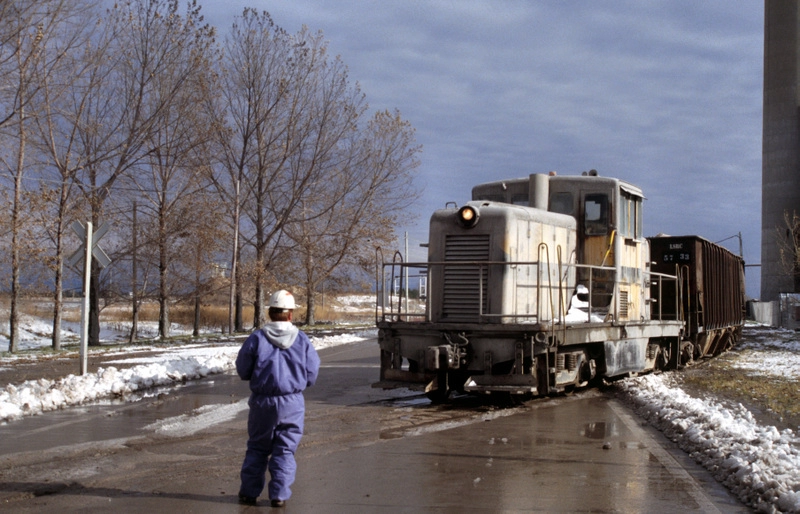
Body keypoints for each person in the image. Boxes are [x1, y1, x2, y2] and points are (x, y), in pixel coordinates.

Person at [236, 290, 320, 508]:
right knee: (285, 449)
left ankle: (249, 493)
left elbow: (243, 369)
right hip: (292, 403)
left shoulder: (257, 338)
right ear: (290, 315)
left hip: (263, 402)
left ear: (270, 313)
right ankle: (279, 495)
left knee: (257, 447)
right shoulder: (301, 339)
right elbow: (312, 371)